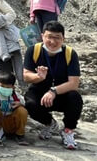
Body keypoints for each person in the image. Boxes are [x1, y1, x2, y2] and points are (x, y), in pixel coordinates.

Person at [23, 21, 82, 150]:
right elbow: (26, 76)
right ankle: (49, 123)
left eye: (57, 38)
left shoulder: (70, 54)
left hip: (61, 94)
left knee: (75, 97)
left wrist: (53, 91)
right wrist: (38, 77)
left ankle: (68, 130)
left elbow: (74, 83)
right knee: (29, 102)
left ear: (63, 39)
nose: (53, 42)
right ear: (42, 36)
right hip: (39, 92)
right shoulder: (34, 50)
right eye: (49, 37)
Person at [0, 71, 29, 145]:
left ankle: (20, 135)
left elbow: (26, 104)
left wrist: (20, 104)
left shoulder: (16, 96)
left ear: (13, 87)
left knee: (22, 111)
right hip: (0, 121)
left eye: (8, 87)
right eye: (2, 86)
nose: (5, 89)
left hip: (12, 121)